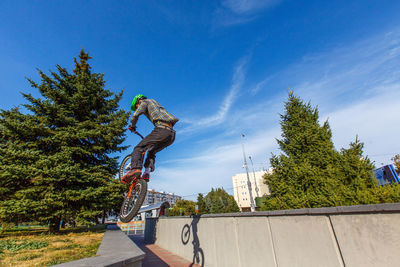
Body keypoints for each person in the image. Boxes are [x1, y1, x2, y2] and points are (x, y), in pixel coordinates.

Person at [121, 94, 178, 184]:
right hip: (171, 135)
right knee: (151, 151)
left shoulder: (145, 102)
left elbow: (135, 115)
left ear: (138, 101)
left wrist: (133, 126)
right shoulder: (156, 103)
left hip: (161, 130)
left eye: (137, 106)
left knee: (138, 148)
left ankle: (135, 169)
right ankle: (147, 172)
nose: (138, 108)